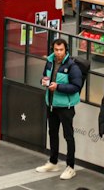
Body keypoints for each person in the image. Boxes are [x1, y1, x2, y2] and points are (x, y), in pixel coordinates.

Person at [34, 37, 84, 179]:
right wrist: (43, 81)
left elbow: (76, 86)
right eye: (56, 50)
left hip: (66, 107)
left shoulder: (73, 67)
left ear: (66, 50)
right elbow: (45, 76)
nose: (58, 52)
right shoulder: (49, 62)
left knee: (68, 136)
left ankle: (70, 167)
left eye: (61, 50)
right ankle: (53, 162)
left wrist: (58, 87)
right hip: (51, 104)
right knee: (52, 133)